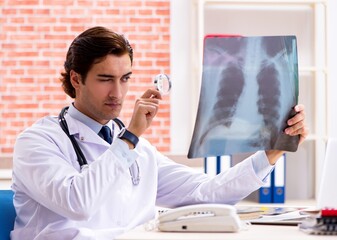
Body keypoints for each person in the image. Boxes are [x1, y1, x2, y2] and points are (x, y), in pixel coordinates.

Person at [11, 26, 308, 240]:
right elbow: (78, 203)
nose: (118, 93)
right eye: (105, 79)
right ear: (76, 79)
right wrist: (129, 137)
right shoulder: (37, 142)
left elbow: (205, 192)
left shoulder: (136, 147)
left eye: (125, 79)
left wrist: (272, 152)